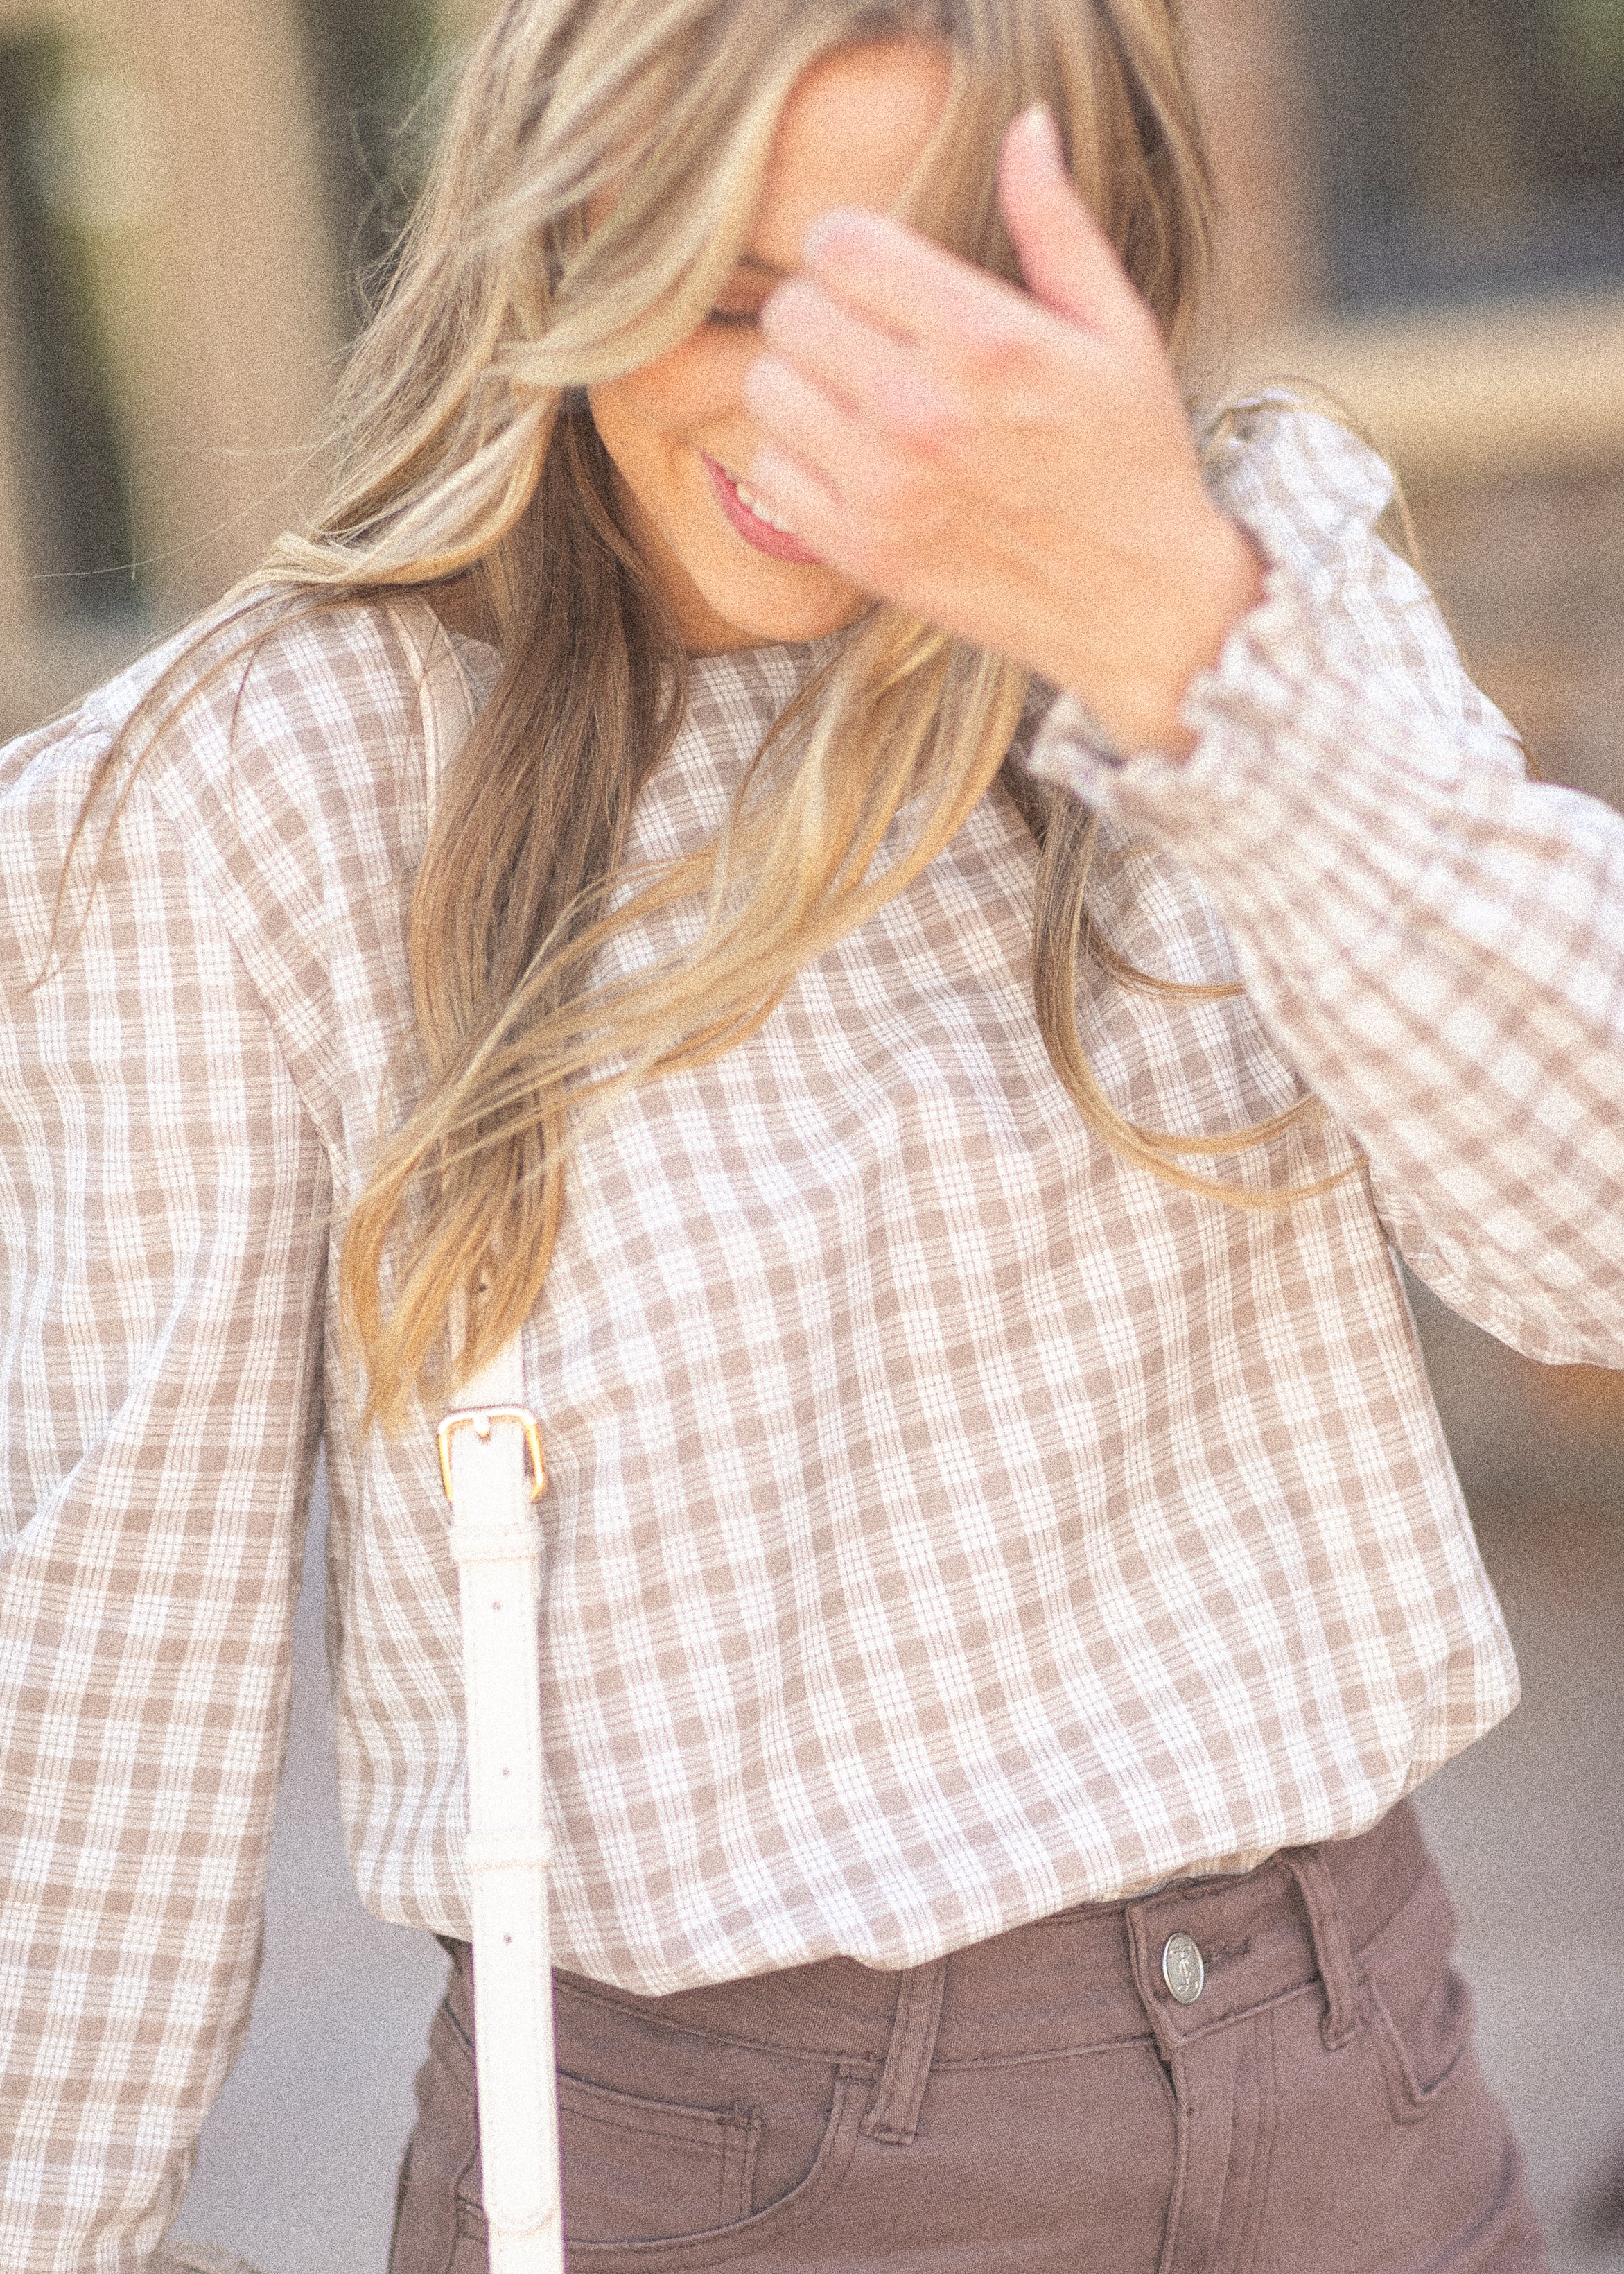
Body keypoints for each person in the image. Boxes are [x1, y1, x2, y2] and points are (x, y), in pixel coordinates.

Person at [1, 0, 1620, 2267]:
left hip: (1363, 2095)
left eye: (907, 315)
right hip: (739, 2184)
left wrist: (1185, 655)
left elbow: (1593, 1250)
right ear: (557, 244)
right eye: (723, 290)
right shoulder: (270, 787)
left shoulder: (1247, 580)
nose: (797, 408)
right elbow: (106, 1693)